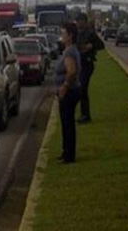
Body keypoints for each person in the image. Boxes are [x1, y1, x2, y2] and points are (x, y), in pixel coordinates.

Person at [55, 22, 82, 164]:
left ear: (70, 36)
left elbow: (71, 71)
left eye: (63, 34)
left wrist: (64, 87)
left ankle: (69, 155)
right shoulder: (68, 50)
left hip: (69, 92)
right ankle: (66, 151)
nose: (62, 37)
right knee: (66, 124)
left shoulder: (70, 51)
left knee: (68, 124)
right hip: (69, 92)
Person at [76, 13, 104, 124]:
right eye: (77, 21)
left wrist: (91, 46)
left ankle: (86, 115)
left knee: (83, 88)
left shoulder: (90, 33)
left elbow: (101, 45)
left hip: (87, 63)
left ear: (84, 21)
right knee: (80, 90)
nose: (78, 23)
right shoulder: (77, 34)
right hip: (79, 64)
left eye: (80, 21)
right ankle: (83, 114)